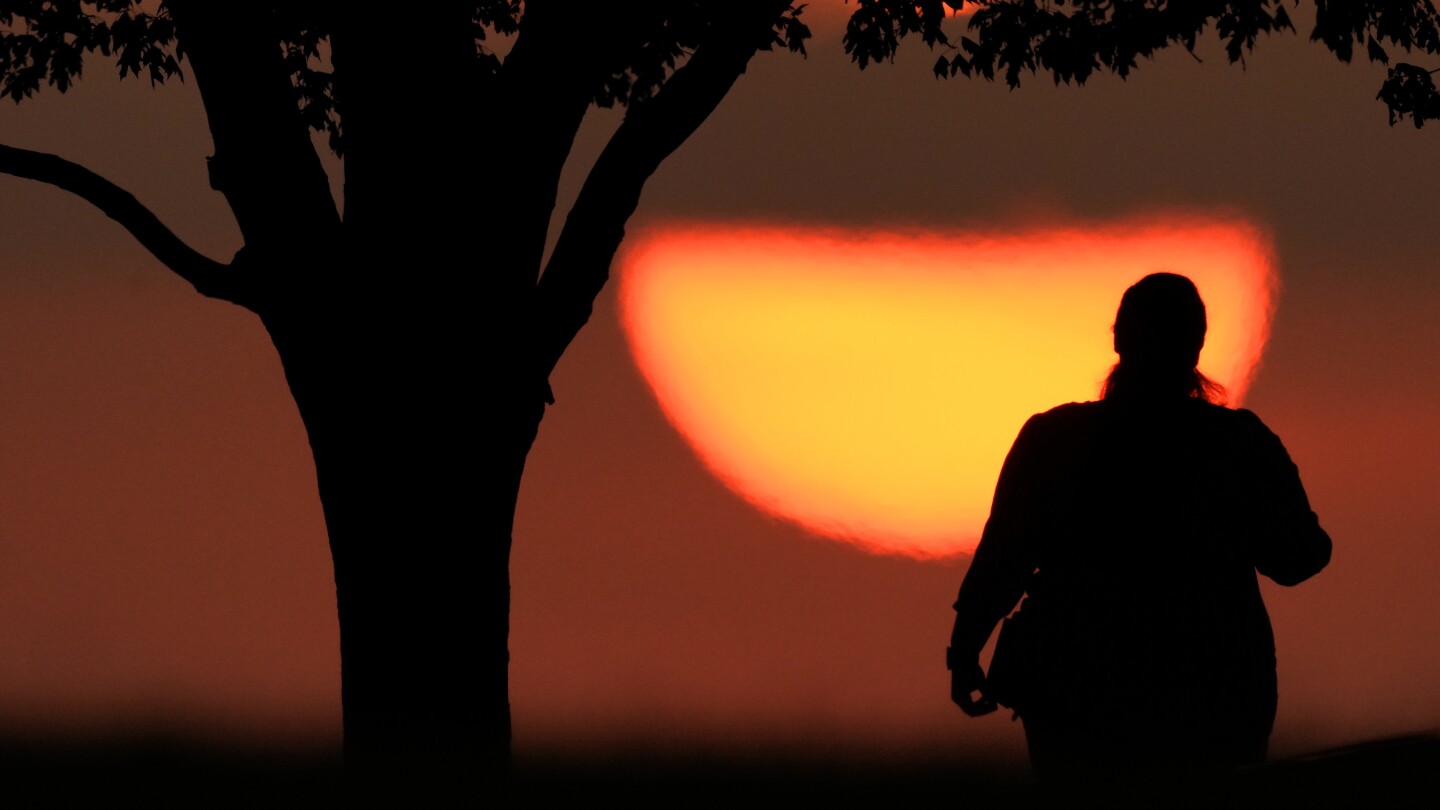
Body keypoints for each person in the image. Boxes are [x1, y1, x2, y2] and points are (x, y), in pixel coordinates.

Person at [946, 272, 1331, 780]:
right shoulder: (1240, 445)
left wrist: (966, 650)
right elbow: (1297, 558)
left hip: (1078, 693)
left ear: (1119, 340)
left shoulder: (1054, 440)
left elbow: (1004, 558)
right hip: (1214, 693)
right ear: (1195, 347)